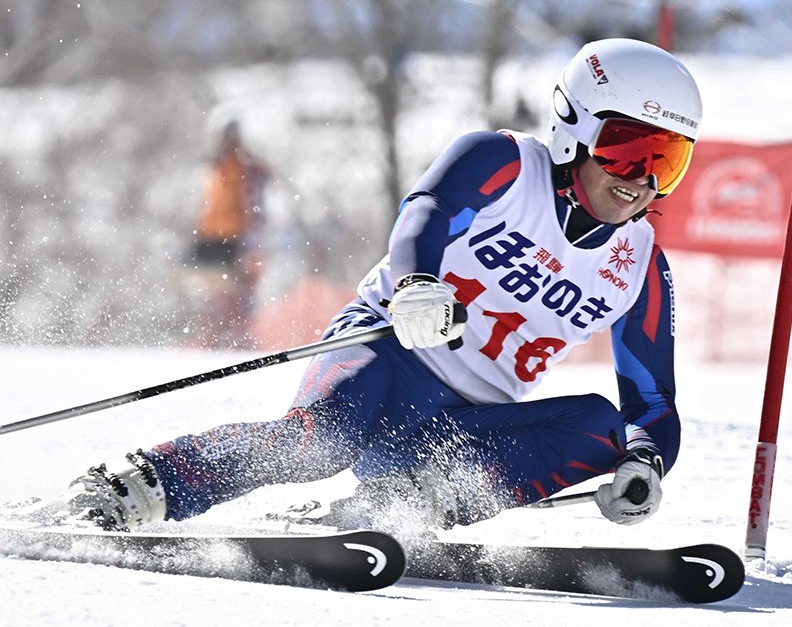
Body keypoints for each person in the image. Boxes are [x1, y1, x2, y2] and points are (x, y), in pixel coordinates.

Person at [60, 38, 702, 536]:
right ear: (574, 126)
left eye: (667, 160)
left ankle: (396, 508)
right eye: (625, 149)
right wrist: (418, 284)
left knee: (600, 426)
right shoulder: (503, 162)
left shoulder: (639, 267)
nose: (642, 178)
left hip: (461, 430)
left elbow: (652, 404)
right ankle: (137, 487)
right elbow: (427, 211)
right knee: (318, 442)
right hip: (386, 355)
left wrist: (643, 464)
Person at [188, 118, 271, 347]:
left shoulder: (246, 167)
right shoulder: (215, 167)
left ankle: (235, 337)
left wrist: (252, 243)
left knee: (235, 293)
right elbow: (209, 205)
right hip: (212, 237)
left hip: (235, 239)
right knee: (211, 291)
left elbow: (255, 206)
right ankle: (213, 336)